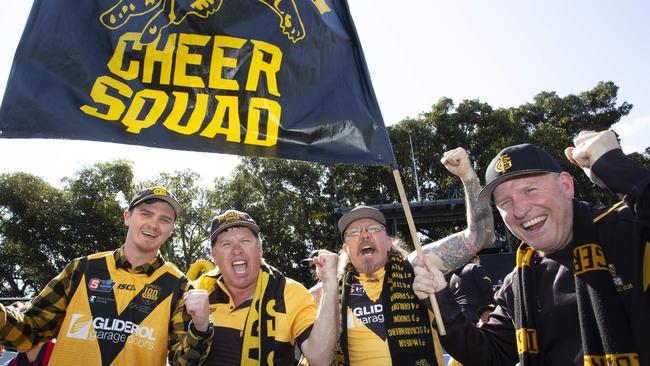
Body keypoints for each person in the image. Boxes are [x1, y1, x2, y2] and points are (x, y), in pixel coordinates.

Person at [413, 130, 650, 365]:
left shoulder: (629, 231)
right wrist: (440, 301)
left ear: (566, 185)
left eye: (530, 190)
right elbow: (490, 355)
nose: (520, 210)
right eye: (505, 202)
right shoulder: (519, 283)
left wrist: (614, 167)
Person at [0, 187, 213, 365]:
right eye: (146, 213)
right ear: (127, 217)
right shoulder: (81, 269)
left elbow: (184, 362)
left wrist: (202, 327)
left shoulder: (180, 287)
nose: (154, 224)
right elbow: (29, 332)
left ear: (171, 230)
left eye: (164, 219)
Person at [332, 147, 496, 365]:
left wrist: (467, 176)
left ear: (389, 241)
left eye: (373, 229)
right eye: (354, 232)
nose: (364, 236)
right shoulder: (331, 292)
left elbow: (479, 237)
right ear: (345, 249)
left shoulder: (417, 266)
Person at [194, 209, 339, 365]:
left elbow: (321, 359)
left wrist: (330, 282)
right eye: (226, 244)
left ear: (260, 249)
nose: (237, 250)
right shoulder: (198, 293)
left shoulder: (289, 292)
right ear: (214, 256)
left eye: (245, 241)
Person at [446, 255, 494, 324]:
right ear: (475, 260)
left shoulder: (453, 277)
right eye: (479, 261)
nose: (479, 263)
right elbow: (487, 289)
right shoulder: (475, 267)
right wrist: (493, 307)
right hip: (476, 315)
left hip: (459, 317)